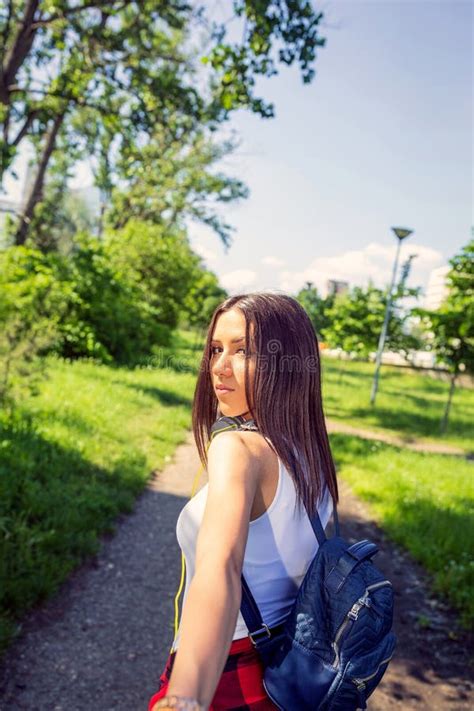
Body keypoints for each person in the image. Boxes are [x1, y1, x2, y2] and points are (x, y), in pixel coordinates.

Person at [148, 292, 339, 711]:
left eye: (243, 351)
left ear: (285, 364)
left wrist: (184, 698)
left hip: (227, 675)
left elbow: (221, 567)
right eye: (216, 349)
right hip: (287, 674)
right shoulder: (310, 453)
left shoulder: (237, 449)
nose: (218, 365)